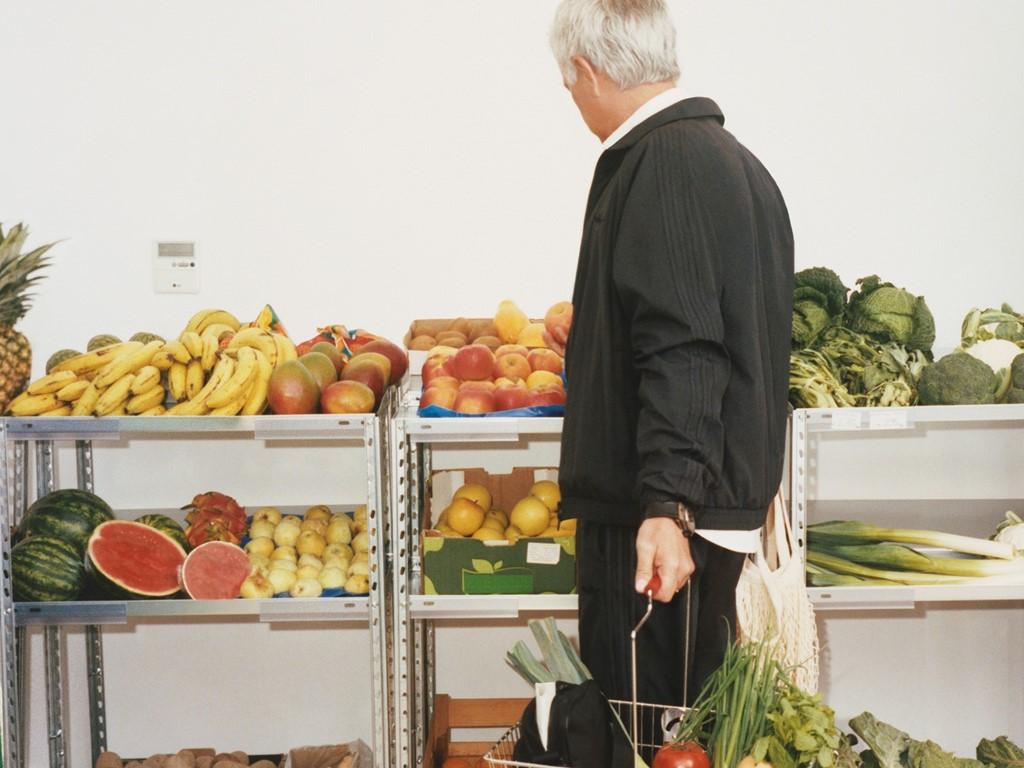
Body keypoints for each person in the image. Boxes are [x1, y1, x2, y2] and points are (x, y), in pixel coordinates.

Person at [549, 0, 795, 711]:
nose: (574, 100)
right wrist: (600, 340)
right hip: (697, 511)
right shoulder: (732, 161)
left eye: (568, 84)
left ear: (588, 71)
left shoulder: (664, 163)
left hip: (665, 523)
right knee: (689, 734)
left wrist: (666, 508)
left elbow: (686, 347)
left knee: (646, 733)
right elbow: (706, 325)